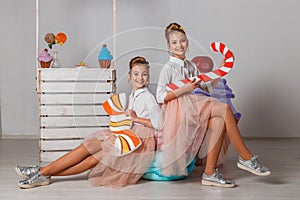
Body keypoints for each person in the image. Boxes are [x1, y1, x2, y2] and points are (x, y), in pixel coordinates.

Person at [16, 56, 161, 189]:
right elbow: (129, 118)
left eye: (144, 74)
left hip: (139, 139)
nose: (140, 78)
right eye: (136, 74)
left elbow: (158, 123)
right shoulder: (134, 94)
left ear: (148, 77)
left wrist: (135, 118)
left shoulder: (148, 96)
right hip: (127, 132)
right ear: (129, 76)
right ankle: (43, 172)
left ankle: (42, 172)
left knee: (93, 159)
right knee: (87, 146)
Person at [156, 22, 271, 188]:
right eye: (174, 42)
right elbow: (160, 97)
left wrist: (221, 70)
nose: (179, 45)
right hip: (180, 110)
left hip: (193, 105)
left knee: (219, 122)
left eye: (182, 41)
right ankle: (246, 158)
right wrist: (185, 88)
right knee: (223, 108)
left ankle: (209, 173)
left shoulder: (190, 66)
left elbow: (206, 87)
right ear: (168, 46)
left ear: (187, 42)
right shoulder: (168, 68)